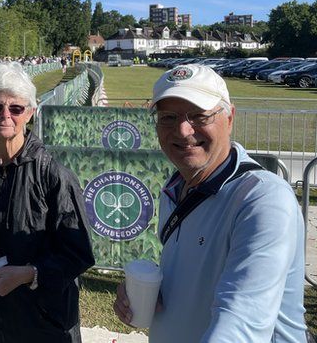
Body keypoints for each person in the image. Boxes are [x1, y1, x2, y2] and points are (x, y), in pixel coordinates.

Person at [113, 64, 307, 342]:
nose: (182, 130)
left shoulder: (262, 199)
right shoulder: (175, 187)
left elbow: (242, 325)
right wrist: (151, 295)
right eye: (168, 117)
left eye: (199, 116)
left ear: (229, 119)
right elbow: (198, 280)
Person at [0, 61, 95, 343]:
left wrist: (29, 274)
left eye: (16, 108)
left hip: (42, 323)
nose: (5, 115)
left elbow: (78, 253)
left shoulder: (53, 174)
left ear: (30, 113)